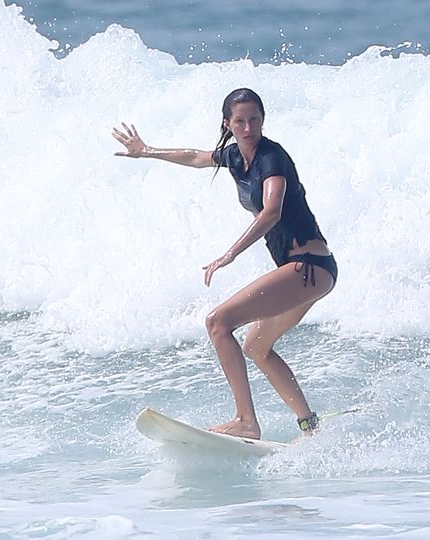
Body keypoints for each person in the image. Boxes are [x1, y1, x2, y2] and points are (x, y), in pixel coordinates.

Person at [111, 88, 337, 440]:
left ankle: (246, 421)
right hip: (309, 273)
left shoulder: (272, 159)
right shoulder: (234, 157)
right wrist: (146, 151)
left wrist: (231, 253)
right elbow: (196, 156)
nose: (248, 128)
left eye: (255, 120)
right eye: (240, 121)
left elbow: (272, 211)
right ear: (228, 124)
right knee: (256, 347)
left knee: (218, 322)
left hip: (308, 266)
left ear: (263, 120)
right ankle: (309, 423)